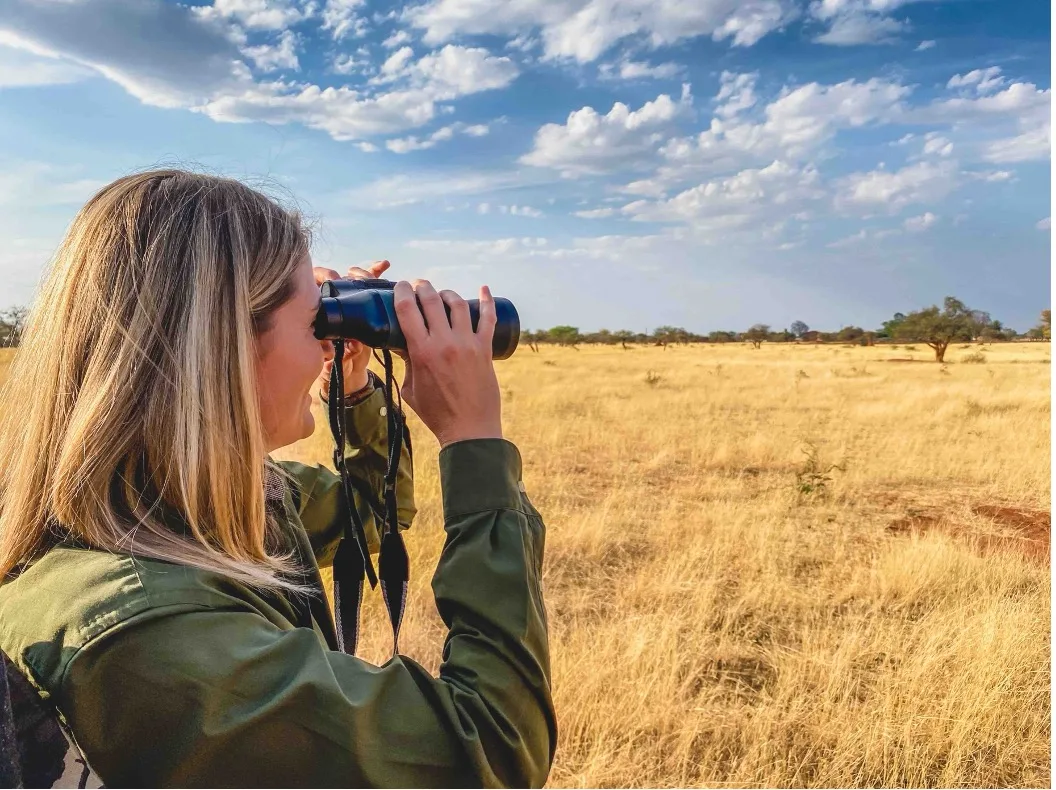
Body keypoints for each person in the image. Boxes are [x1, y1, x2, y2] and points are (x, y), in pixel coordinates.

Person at [0, 170, 556, 787]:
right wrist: (474, 439)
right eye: (315, 323)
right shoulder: (149, 641)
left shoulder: (188, 502)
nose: (327, 344)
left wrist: (353, 389)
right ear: (223, 345)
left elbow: (371, 517)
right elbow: (492, 752)